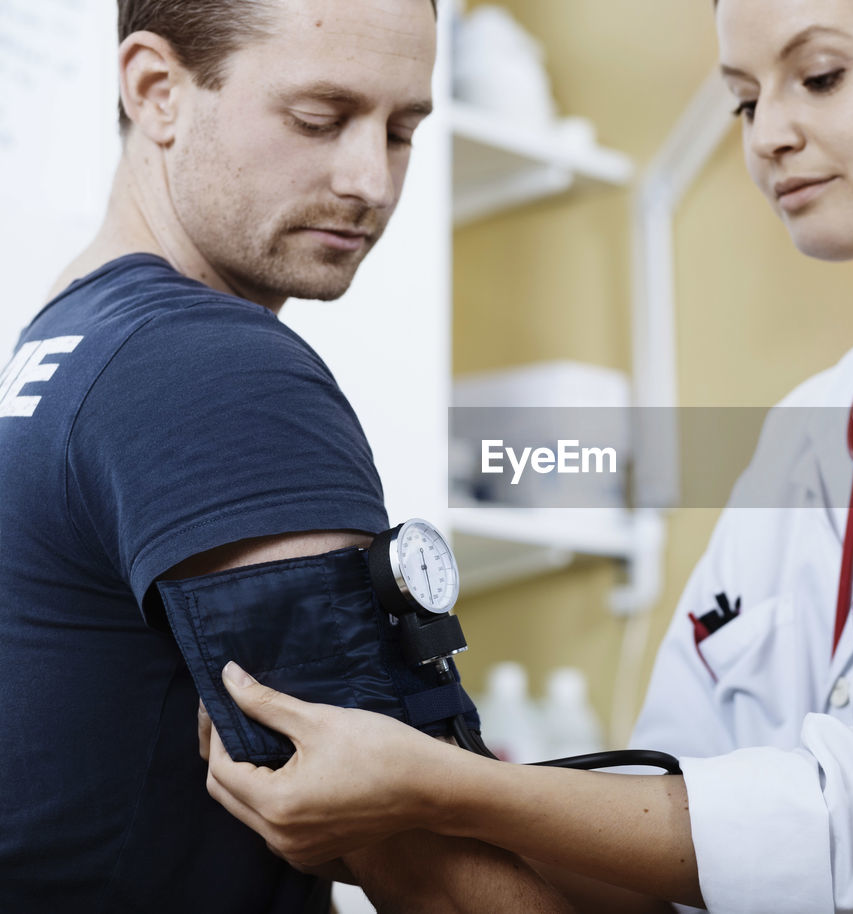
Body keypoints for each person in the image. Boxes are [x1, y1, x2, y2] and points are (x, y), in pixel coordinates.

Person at [202, 0, 853, 911]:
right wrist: (436, 816)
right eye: (745, 98)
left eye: (817, 75)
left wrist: (445, 792)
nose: (767, 135)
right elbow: (692, 833)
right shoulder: (808, 435)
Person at [0, 0, 574, 911]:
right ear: (157, 91)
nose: (371, 181)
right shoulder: (206, 362)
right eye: (320, 120)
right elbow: (437, 876)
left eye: (401, 130)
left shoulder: (65, 331)